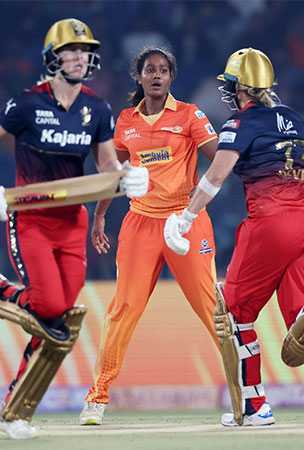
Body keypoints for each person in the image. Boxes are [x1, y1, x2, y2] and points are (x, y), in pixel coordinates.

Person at [0, 18, 148, 439]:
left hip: (72, 222)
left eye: (86, 50)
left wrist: (126, 175)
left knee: (58, 320)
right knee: (48, 306)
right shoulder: (28, 104)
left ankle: (14, 409)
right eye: (72, 50)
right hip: (30, 218)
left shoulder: (97, 109)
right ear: (53, 57)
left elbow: (105, 164)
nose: (81, 56)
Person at [164, 48, 304, 426]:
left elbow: (216, 178)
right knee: (300, 324)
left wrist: (186, 217)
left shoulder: (239, 125)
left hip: (272, 225)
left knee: (235, 313)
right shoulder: (293, 117)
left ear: (239, 87)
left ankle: (256, 407)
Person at [79, 47, 220, 426]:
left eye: (163, 70)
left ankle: (248, 391)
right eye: (149, 70)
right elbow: (115, 174)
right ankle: (97, 397)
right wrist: (100, 217)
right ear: (139, 77)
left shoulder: (190, 115)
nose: (156, 75)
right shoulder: (125, 121)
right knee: (123, 311)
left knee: (213, 310)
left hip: (186, 222)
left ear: (171, 77)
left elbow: (222, 157)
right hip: (140, 224)